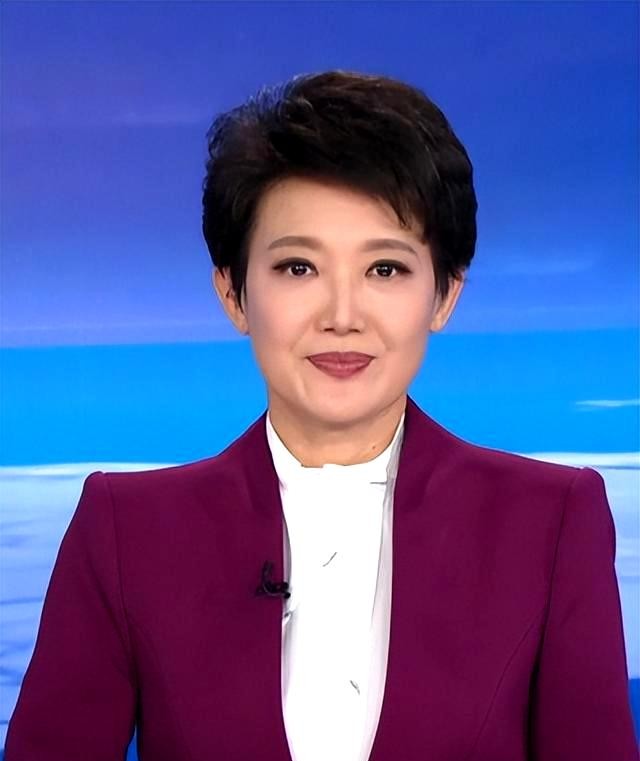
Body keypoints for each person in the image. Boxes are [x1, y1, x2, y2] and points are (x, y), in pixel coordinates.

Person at [5, 69, 638, 761]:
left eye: (385, 269)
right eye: (299, 268)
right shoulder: (125, 532)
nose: (342, 315)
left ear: (445, 295)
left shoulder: (552, 524)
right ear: (233, 292)